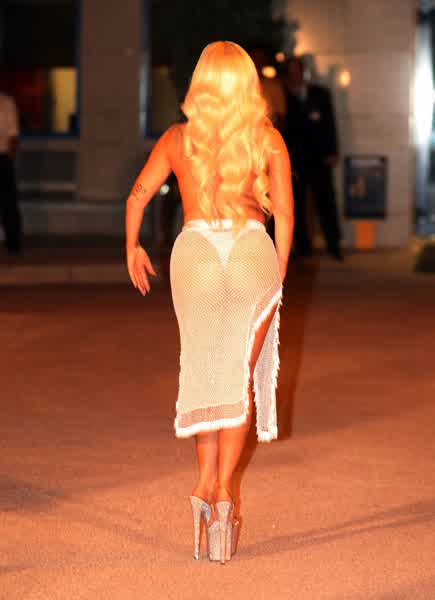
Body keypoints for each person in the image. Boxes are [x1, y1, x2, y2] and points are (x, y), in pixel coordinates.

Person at [125, 41, 294, 564]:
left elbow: (137, 195)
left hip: (196, 250)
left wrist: (131, 247)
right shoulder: (267, 138)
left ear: (199, 83)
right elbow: (286, 215)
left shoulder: (178, 139)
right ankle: (223, 496)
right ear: (248, 84)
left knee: (204, 375)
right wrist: (277, 273)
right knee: (236, 380)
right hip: (249, 249)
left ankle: (203, 485)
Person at [283, 56, 343, 260]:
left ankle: (334, 244)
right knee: (297, 205)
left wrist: (333, 151)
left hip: (319, 158)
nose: (294, 75)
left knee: (326, 201)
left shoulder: (320, 94)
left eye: (297, 70)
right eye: (290, 71)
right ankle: (303, 247)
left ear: (303, 71)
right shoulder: (282, 97)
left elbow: (330, 125)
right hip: (294, 160)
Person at [0, 90, 22, 255]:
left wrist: (10, 158)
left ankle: (13, 244)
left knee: (8, 203)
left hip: (2, 157)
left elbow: (13, 135)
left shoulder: (6, 103)